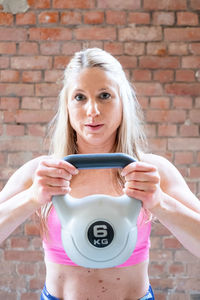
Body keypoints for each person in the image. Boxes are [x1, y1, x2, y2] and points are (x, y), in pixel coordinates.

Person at [0, 48, 200, 300]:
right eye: (80, 97)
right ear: (68, 106)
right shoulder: (41, 172)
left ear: (122, 102)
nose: (92, 110)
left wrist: (160, 202)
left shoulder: (152, 171)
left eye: (104, 95)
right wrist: (31, 198)